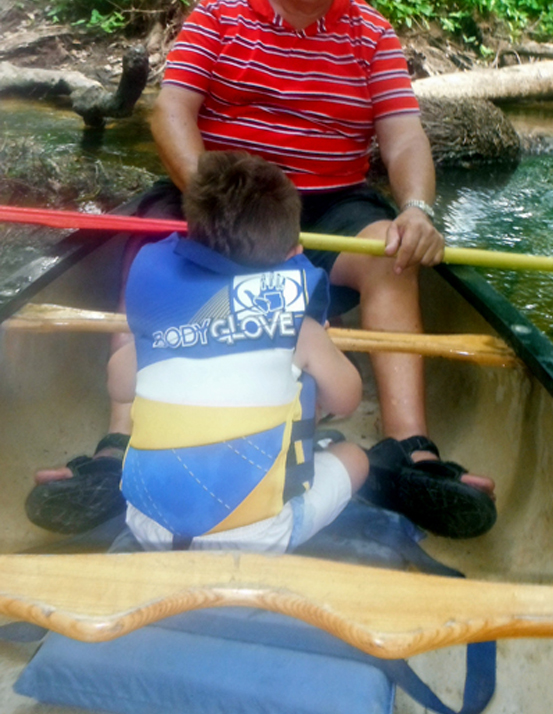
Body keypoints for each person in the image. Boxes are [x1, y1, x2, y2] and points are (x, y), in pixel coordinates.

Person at [26, 0, 496, 541]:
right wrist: (211, 198)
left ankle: (407, 449)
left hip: (326, 201)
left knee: (391, 251)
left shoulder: (370, 32)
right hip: (217, 194)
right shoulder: (219, 12)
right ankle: (119, 445)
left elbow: (401, 133)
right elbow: (172, 112)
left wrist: (417, 207)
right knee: (153, 244)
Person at [111, 150, 368, 553]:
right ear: (294, 254)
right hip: (253, 540)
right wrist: (323, 343)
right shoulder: (302, 327)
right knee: (354, 457)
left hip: (148, 525)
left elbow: (118, 385)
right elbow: (347, 399)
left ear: (192, 239)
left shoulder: (165, 314)